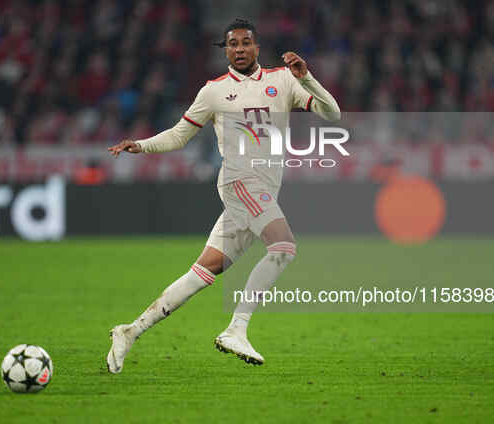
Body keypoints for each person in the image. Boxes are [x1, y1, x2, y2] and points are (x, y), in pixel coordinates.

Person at [106, 18, 340, 373]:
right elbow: (179, 135)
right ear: (225, 50)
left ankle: (130, 331)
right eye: (233, 44)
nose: (240, 49)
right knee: (283, 248)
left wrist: (306, 77)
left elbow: (332, 113)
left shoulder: (282, 80)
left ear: (257, 48)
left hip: (262, 189)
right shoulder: (214, 91)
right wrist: (141, 145)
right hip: (240, 182)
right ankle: (236, 329)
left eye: (246, 43)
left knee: (202, 271)